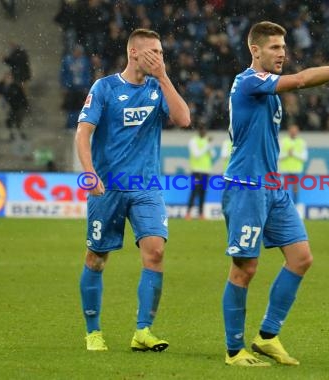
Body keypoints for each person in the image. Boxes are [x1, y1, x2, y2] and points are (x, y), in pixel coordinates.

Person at [221, 21, 329, 367]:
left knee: (300, 258)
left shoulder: (268, 90)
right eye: (275, 48)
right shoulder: (249, 81)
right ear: (255, 50)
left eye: (284, 47)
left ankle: (266, 337)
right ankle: (235, 350)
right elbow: (301, 80)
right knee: (244, 269)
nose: (283, 53)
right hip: (247, 187)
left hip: (273, 187)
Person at [75, 28, 191, 352]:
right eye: (153, 52)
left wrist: (164, 77)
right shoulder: (105, 88)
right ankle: (93, 332)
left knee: (155, 251)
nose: (159, 58)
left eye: (162, 53)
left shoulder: (157, 88)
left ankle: (143, 331)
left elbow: (184, 119)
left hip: (146, 186)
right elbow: (83, 134)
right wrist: (90, 174)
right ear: (134, 53)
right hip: (108, 187)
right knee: (97, 258)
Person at [185, 126, 215, 220]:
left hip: (206, 171)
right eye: (202, 130)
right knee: (195, 192)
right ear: (199, 131)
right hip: (196, 171)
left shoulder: (206, 142)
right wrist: (207, 145)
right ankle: (188, 213)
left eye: (205, 130)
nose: (204, 132)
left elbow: (213, 154)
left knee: (203, 192)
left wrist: (209, 145)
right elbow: (196, 154)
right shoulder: (193, 141)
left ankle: (201, 214)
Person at [278, 124, 307, 204]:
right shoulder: (283, 141)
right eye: (292, 131)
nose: (293, 132)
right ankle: (281, 205)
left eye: (295, 131)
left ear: (298, 132)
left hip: (296, 170)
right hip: (285, 170)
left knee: (296, 189)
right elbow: (278, 156)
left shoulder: (301, 142)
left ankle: (295, 205)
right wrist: (287, 154)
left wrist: (293, 153)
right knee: (282, 189)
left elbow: (304, 157)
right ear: (289, 131)